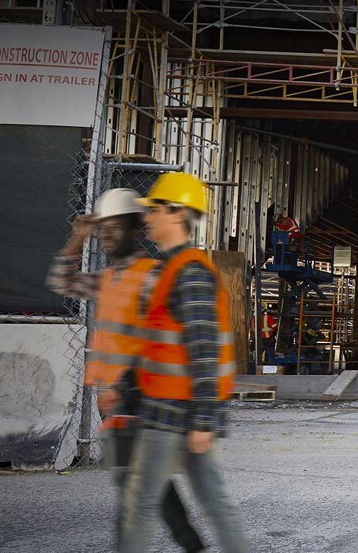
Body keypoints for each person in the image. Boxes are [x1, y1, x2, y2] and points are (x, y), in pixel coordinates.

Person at [46, 189, 207, 552]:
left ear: (134, 230)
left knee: (131, 487)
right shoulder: (107, 279)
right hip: (116, 401)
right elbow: (62, 282)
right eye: (102, 228)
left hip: (144, 398)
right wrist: (78, 237)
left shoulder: (152, 278)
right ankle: (193, 545)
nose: (106, 234)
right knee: (151, 484)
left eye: (113, 227)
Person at [118, 172, 251, 552]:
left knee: (140, 503)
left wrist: (204, 421)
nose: (148, 217)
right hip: (173, 409)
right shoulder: (170, 269)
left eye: (155, 209)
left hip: (175, 412)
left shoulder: (190, 274)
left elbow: (204, 351)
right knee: (213, 501)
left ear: (177, 214)